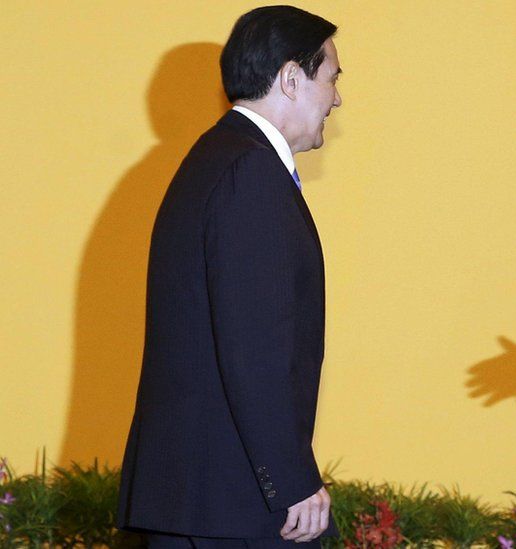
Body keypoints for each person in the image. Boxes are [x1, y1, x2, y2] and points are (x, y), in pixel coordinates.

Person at [117, 6, 342, 547]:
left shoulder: (220, 157)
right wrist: (292, 480)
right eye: (332, 78)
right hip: (229, 507)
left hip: (202, 499)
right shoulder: (249, 173)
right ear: (291, 78)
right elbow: (254, 345)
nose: (337, 98)